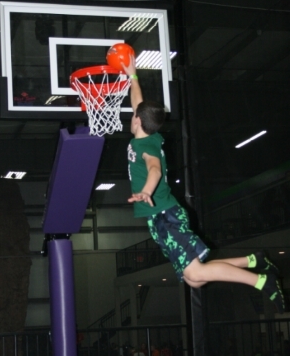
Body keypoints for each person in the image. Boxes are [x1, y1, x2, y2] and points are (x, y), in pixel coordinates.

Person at [122, 56, 285, 314]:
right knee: (194, 280)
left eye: (134, 115)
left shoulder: (146, 147)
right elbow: (138, 103)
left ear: (138, 121)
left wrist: (146, 191)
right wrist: (133, 76)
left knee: (196, 273)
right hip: (160, 218)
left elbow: (154, 169)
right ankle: (255, 260)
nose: (133, 115)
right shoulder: (148, 134)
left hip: (166, 217)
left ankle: (263, 281)